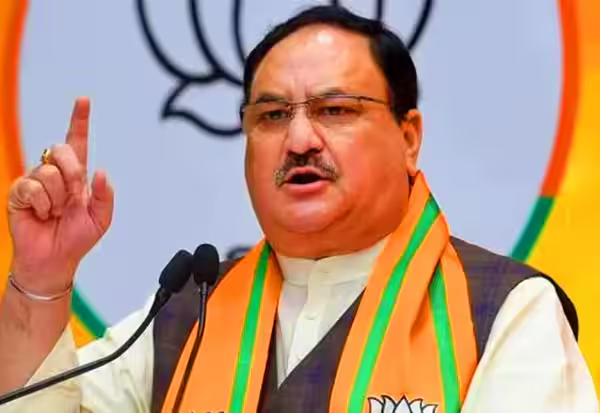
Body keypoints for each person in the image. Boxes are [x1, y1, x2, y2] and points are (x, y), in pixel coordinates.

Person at [0, 5, 597, 413]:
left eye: (336, 110)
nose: (300, 139)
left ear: (409, 137)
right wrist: (41, 279)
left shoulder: (502, 312)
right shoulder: (188, 317)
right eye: (272, 116)